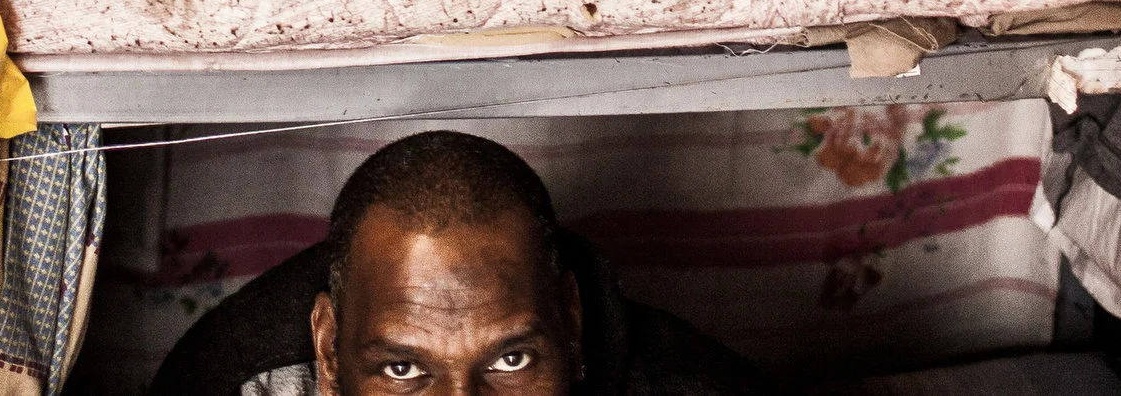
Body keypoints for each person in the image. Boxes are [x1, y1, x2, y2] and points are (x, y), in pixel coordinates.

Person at [150, 130, 768, 395]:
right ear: (330, 351)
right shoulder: (230, 383)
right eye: (402, 370)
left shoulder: (693, 386)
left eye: (511, 361)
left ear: (572, 326)